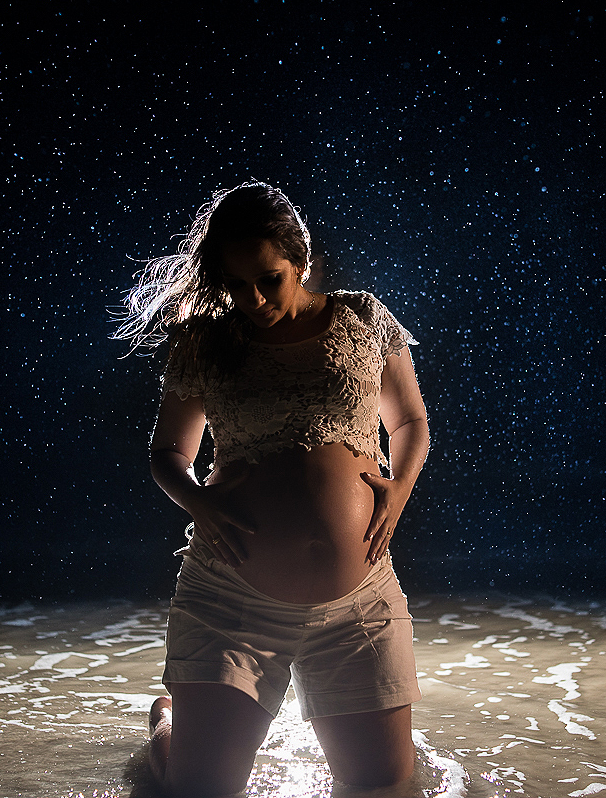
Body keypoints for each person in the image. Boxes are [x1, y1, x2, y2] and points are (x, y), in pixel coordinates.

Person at [116, 182, 429, 795]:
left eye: (270, 279)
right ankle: (169, 724)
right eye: (236, 285)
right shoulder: (207, 342)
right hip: (232, 600)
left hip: (358, 601)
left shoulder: (362, 319)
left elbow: (409, 421)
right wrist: (198, 500)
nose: (253, 299)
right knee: (198, 791)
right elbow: (168, 453)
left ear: (302, 260)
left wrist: (398, 490)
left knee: (384, 788)